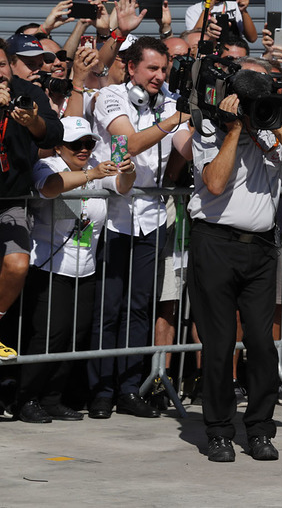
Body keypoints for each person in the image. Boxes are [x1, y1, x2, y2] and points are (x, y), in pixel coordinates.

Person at [188, 56, 282, 462]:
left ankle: (260, 429)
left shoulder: (275, 128)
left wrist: (275, 121)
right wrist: (235, 130)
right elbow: (214, 182)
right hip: (215, 243)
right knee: (220, 343)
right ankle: (219, 431)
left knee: (262, 343)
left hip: (261, 248)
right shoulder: (208, 128)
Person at [87, 36, 192, 420]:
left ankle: (130, 388)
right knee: (109, 308)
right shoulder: (109, 97)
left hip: (151, 217)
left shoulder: (167, 100)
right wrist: (172, 121)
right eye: (152, 68)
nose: (160, 76)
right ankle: (100, 390)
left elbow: (186, 147)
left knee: (139, 308)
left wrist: (202, 124)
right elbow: (126, 143)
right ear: (131, 67)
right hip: (113, 214)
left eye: (164, 69)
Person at [17, 117, 135, 423]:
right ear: (58, 145)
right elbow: (49, 189)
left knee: (75, 335)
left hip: (86, 267)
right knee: (49, 336)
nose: (84, 149)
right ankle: (26, 397)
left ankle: (53, 398)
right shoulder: (49, 166)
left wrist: (127, 172)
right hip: (50, 265)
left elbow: (121, 187)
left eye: (89, 143)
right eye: (76, 144)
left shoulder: (97, 165)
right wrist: (89, 174)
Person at [0, 37, 63, 361]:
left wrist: (33, 121)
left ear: (9, 64)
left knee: (17, 262)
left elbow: (54, 133)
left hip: (11, 200)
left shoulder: (28, 91)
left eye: (0, 65)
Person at [185, 0, 257, 43]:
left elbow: (252, 38)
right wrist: (207, 8)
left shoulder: (234, 5)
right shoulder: (193, 10)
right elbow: (194, 39)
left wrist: (243, 11)